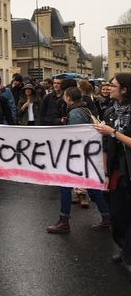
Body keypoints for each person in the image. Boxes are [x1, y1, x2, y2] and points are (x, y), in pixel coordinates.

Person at [47, 87, 110, 233]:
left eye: (64, 95)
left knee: (65, 186)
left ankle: (64, 222)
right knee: (93, 190)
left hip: (77, 157)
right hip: (85, 157)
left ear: (68, 98)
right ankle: (107, 218)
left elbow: (75, 137)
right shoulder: (84, 110)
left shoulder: (75, 113)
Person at [93, 73, 131, 276]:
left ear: (124, 89)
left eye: (113, 85)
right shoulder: (110, 112)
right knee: (116, 216)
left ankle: (128, 254)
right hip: (117, 171)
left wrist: (113, 132)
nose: (108, 87)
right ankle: (124, 246)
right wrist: (105, 173)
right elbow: (106, 146)